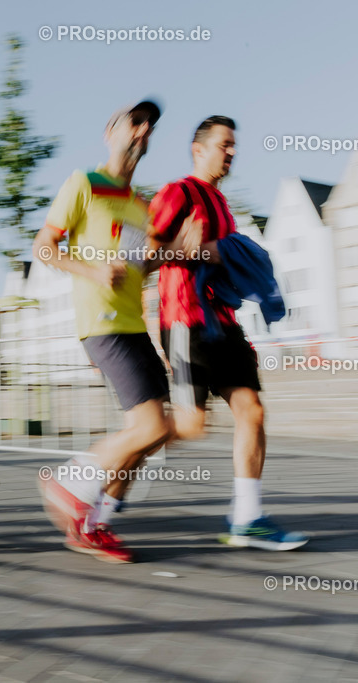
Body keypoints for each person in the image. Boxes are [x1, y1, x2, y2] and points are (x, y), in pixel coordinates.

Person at [149, 115, 307, 551]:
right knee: (190, 425)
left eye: (234, 145)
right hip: (185, 321)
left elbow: (221, 259)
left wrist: (224, 254)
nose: (233, 152)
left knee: (251, 410)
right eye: (225, 144)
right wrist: (193, 250)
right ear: (198, 149)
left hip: (223, 323)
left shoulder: (220, 204)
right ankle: (112, 462)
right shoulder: (177, 192)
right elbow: (145, 254)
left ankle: (247, 518)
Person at [33, 101, 180, 563]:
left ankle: (95, 523)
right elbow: (43, 247)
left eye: (149, 126)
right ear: (109, 132)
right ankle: (68, 482)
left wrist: (174, 251)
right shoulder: (84, 183)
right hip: (102, 322)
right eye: (134, 121)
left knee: (153, 434)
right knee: (150, 426)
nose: (143, 130)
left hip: (135, 325)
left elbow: (141, 266)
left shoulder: (141, 205)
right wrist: (93, 271)